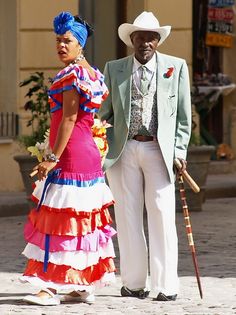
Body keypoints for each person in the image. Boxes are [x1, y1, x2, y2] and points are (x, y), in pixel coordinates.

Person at [20, 11, 116, 306]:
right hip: (86, 153)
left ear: (80, 45)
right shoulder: (92, 73)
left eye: (67, 41)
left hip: (71, 154)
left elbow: (69, 119)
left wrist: (51, 157)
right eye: (58, 40)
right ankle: (82, 284)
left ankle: (48, 287)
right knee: (80, 220)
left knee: (57, 220)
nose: (61, 45)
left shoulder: (73, 75)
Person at [99, 11, 192, 301]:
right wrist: (100, 147)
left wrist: (179, 150)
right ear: (131, 40)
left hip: (158, 149)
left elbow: (184, 119)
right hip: (123, 149)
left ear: (158, 40)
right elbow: (104, 115)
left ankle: (166, 285)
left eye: (151, 38)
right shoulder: (114, 69)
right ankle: (133, 282)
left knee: (162, 214)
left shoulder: (175, 68)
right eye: (140, 37)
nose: (146, 43)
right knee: (127, 216)